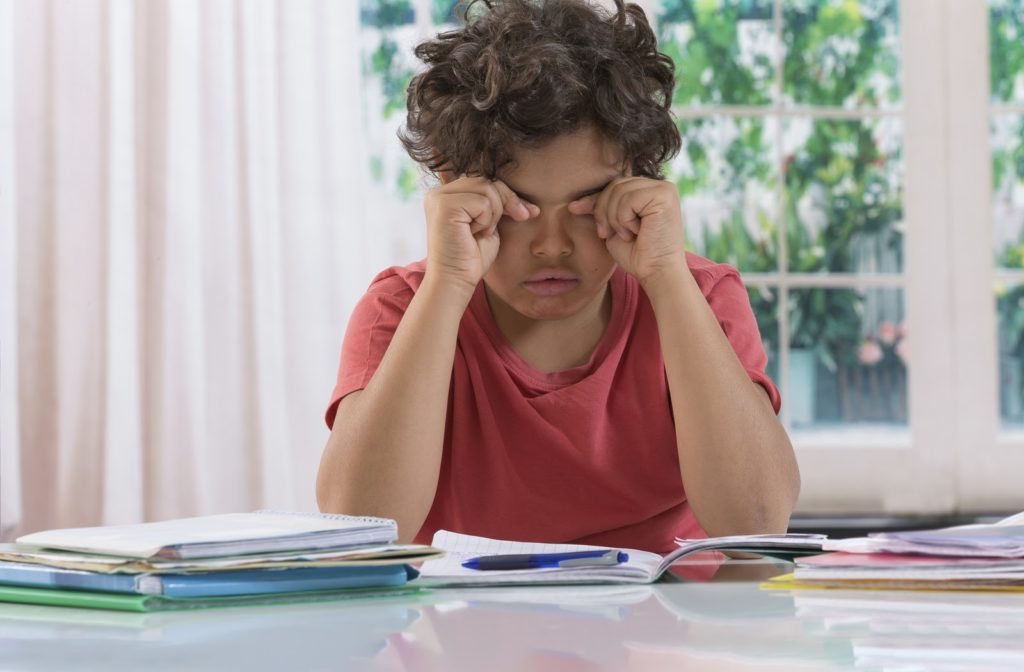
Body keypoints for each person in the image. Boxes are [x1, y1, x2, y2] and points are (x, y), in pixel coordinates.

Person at [317, 0, 800, 552]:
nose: (552, 247)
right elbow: (359, 528)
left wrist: (666, 276)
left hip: (669, 627)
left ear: (636, 181)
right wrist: (448, 282)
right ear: (453, 187)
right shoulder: (402, 308)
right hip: (458, 631)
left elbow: (759, 521)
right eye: (519, 207)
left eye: (586, 203)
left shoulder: (700, 297)